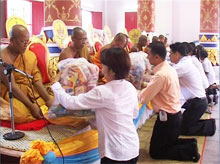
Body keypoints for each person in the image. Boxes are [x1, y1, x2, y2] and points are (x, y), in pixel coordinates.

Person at [52, 47, 139, 164]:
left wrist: (56, 86)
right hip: (132, 147)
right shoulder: (129, 87)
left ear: (112, 71)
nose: (101, 69)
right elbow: (133, 114)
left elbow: (70, 103)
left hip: (115, 153)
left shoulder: (103, 92)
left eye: (103, 66)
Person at [138, 41, 200, 162]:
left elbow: (144, 98)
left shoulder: (161, 75)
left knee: (156, 152)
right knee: (166, 144)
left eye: (149, 54)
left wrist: (132, 91)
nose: (147, 57)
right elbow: (155, 87)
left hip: (168, 118)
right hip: (173, 115)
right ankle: (191, 143)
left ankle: (191, 151)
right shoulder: (168, 69)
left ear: (156, 57)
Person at [1, 24, 53, 123]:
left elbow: (36, 79)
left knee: (51, 102)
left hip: (29, 90)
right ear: (12, 41)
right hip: (11, 92)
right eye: (23, 42)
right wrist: (31, 106)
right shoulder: (3, 58)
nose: (26, 44)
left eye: (27, 41)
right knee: (19, 114)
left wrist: (47, 99)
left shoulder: (30, 55)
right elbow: (13, 87)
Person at [169, 42, 216, 136]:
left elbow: (166, 75)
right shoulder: (185, 62)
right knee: (181, 125)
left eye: (170, 53)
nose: (169, 56)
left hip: (197, 103)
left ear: (177, 54)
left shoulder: (183, 65)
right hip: (196, 101)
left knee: (183, 129)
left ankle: (210, 127)